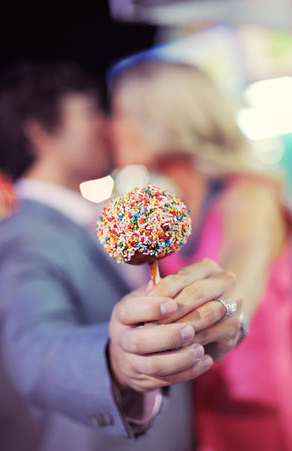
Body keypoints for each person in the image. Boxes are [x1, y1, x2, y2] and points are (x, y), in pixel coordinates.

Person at [0, 62, 243, 450]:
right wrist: (116, 361)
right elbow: (32, 351)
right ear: (41, 132)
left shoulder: (105, 214)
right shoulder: (21, 238)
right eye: (92, 112)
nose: (108, 125)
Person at [110, 59, 292, 451]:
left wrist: (224, 310)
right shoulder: (174, 210)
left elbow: (245, 265)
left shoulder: (248, 194)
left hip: (256, 404)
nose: (112, 127)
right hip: (199, 396)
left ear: (167, 117)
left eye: (123, 113)